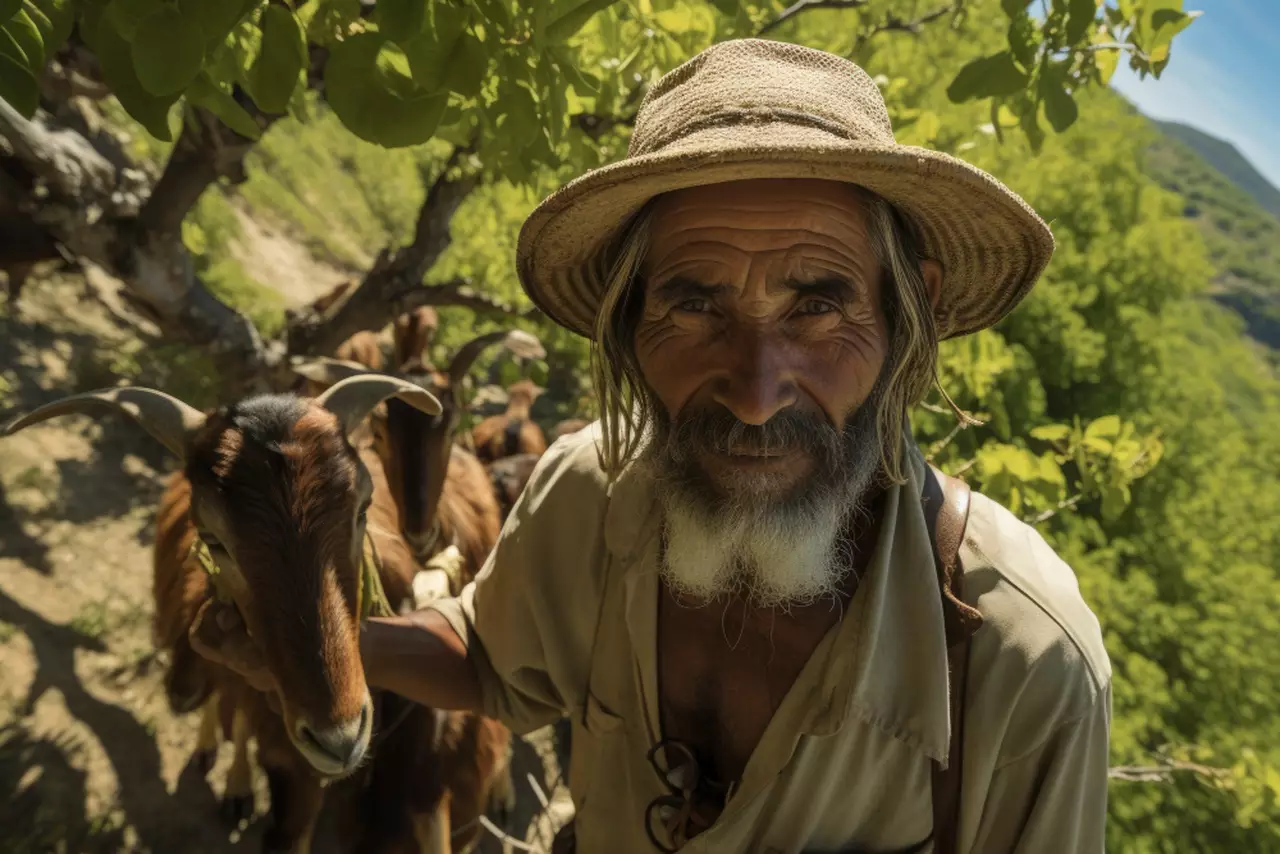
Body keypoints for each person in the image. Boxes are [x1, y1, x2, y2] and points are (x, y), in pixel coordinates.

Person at [191, 38, 1110, 853]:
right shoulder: (592, 489)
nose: (754, 396)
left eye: (818, 305)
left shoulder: (1023, 663)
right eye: (693, 303)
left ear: (910, 308)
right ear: (629, 322)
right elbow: (490, 654)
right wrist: (320, 648)